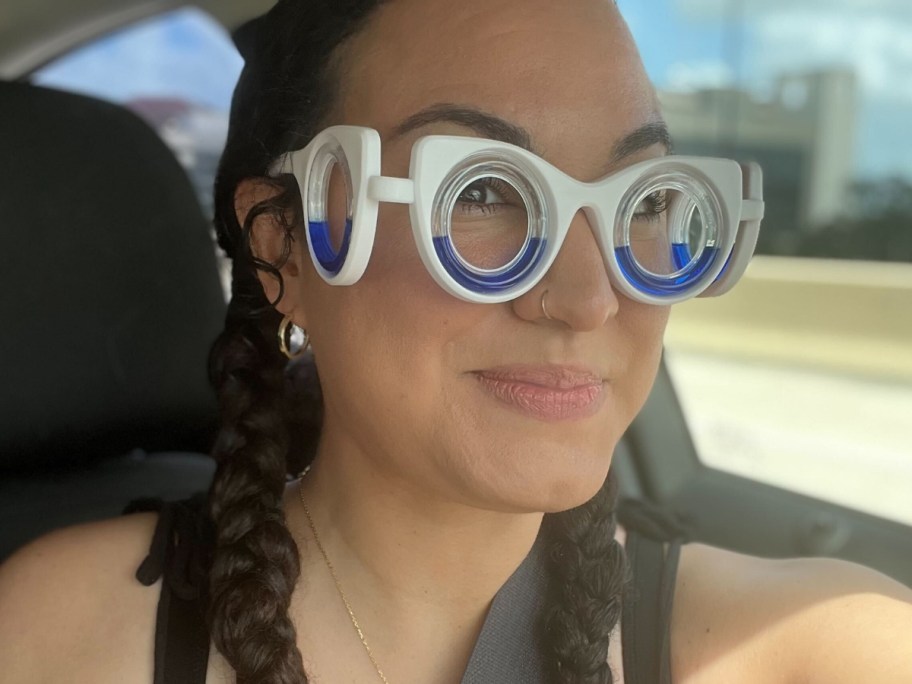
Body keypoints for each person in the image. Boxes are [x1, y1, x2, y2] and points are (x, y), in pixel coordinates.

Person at [1, 0, 911, 682]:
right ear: (285, 245)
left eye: (646, 198)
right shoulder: (68, 635)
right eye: (480, 191)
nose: (590, 299)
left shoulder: (811, 646)